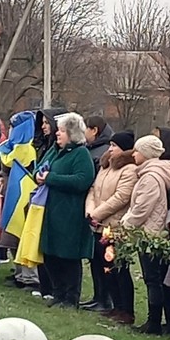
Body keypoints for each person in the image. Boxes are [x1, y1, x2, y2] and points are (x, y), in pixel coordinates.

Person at [122, 135, 170, 335]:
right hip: (151, 232)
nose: (134, 154)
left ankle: (153, 322)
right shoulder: (150, 173)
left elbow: (142, 208)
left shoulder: (150, 177)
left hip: (150, 234)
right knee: (154, 279)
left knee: (152, 279)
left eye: (137, 151)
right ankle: (158, 320)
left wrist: (126, 224)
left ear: (146, 154)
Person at [37, 112, 95, 307]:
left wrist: (51, 179)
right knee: (50, 254)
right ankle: (58, 293)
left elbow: (82, 180)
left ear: (72, 133)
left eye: (61, 131)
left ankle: (71, 298)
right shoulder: (57, 150)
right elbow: (41, 167)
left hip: (70, 213)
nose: (57, 134)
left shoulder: (81, 154)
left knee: (68, 257)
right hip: (51, 211)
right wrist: (40, 174)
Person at [85, 131, 137, 322]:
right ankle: (115, 305)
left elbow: (121, 197)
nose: (110, 149)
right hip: (98, 224)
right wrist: (90, 211)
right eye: (110, 145)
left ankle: (126, 309)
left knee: (118, 268)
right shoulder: (105, 166)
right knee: (104, 267)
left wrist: (98, 213)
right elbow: (93, 190)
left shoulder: (129, 170)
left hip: (114, 226)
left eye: (115, 146)